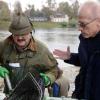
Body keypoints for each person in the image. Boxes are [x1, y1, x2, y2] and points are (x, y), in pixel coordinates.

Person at [0, 10, 70, 98]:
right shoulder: (3, 45)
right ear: (12, 34)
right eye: (16, 34)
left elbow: (54, 70)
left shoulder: (42, 49)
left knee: (63, 81)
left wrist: (48, 78)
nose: (20, 37)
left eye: (23, 34)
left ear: (30, 32)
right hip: (11, 94)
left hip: (35, 95)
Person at [53, 1, 100, 100]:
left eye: (83, 24)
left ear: (98, 22)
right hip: (81, 94)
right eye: (79, 24)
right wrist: (71, 57)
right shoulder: (84, 39)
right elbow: (87, 62)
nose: (79, 28)